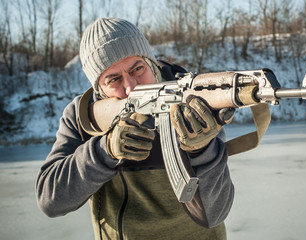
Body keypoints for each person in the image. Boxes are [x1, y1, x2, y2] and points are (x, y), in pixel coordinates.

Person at [36, 18, 234, 240]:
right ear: (98, 89)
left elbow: (216, 212)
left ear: (150, 62)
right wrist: (104, 151)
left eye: (137, 69)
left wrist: (204, 151)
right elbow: (49, 199)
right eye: (114, 79)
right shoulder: (84, 117)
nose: (131, 87)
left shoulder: (191, 100)